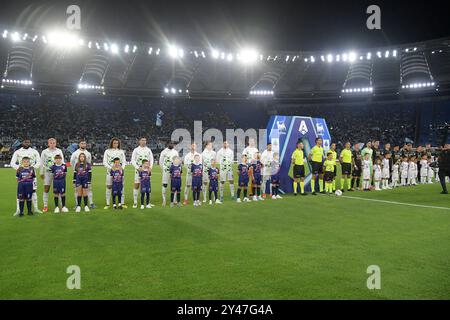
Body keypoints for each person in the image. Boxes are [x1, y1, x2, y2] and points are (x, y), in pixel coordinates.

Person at [10, 138, 41, 215]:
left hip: (31, 174)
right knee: (20, 193)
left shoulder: (34, 151)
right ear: (22, 142)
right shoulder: (17, 152)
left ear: (30, 142)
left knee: (33, 191)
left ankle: (36, 208)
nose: (27, 143)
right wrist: (19, 168)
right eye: (25, 142)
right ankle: (18, 210)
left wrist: (33, 167)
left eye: (28, 142)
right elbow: (12, 163)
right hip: (22, 175)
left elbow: (39, 162)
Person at [40, 138, 64, 213]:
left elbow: (62, 162)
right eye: (51, 143)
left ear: (56, 143)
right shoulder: (44, 152)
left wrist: (62, 172)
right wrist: (41, 172)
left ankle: (61, 205)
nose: (52, 144)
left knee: (59, 189)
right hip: (48, 172)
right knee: (46, 188)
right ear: (48, 144)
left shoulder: (59, 151)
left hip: (58, 173)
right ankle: (45, 205)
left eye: (54, 143)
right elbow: (42, 162)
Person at [70, 139, 95, 208]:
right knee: (77, 189)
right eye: (82, 143)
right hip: (77, 173)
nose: (83, 145)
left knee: (89, 188)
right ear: (79, 144)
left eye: (84, 143)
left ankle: (91, 203)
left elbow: (89, 163)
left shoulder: (88, 153)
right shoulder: (75, 153)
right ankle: (77, 204)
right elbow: (72, 162)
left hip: (86, 174)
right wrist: (75, 170)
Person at [103, 138, 127, 209]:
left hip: (119, 173)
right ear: (111, 143)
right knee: (109, 187)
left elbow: (124, 161)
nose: (115, 144)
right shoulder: (107, 151)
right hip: (109, 172)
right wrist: (111, 168)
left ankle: (122, 203)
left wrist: (121, 168)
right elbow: (104, 162)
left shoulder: (121, 151)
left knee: (121, 187)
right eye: (114, 143)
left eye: (117, 143)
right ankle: (108, 204)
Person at [131, 137, 154, 209]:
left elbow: (151, 159)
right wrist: (138, 168)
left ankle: (147, 202)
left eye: (145, 140)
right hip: (139, 170)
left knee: (147, 186)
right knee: (136, 185)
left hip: (147, 171)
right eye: (142, 140)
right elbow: (133, 160)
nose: (144, 141)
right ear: (139, 141)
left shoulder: (148, 150)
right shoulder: (136, 150)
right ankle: (135, 202)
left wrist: (150, 167)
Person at [159, 141, 179, 207]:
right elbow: (160, 162)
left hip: (174, 172)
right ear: (167, 144)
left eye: (172, 144)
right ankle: (164, 200)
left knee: (174, 185)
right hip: (166, 171)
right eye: (170, 143)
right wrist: (164, 170)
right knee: (165, 185)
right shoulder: (164, 152)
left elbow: (177, 161)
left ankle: (174, 200)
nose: (171, 144)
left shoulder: (175, 152)